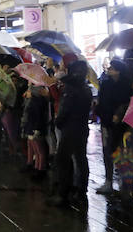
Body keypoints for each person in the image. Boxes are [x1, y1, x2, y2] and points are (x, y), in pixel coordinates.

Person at [48, 60, 92, 208]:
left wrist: (57, 122)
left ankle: (63, 194)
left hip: (70, 129)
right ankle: (81, 191)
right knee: (80, 159)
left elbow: (65, 110)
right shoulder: (86, 88)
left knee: (62, 160)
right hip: (81, 128)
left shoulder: (71, 88)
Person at [95, 59, 133, 194]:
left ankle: (125, 184)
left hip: (122, 125)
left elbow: (128, 104)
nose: (109, 69)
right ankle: (109, 181)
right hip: (107, 123)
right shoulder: (105, 84)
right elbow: (101, 101)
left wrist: (119, 115)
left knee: (122, 153)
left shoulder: (127, 85)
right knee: (107, 152)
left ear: (118, 71)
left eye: (112, 68)